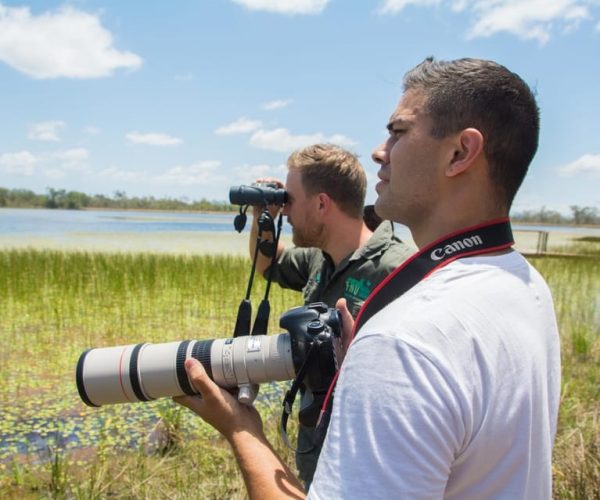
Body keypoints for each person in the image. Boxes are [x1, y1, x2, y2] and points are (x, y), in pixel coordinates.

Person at [175, 57, 561, 499]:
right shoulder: (522, 283)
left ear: (460, 153)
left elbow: (412, 354)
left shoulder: (404, 337)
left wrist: (242, 430)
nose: (379, 151)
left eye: (398, 132)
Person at [247, 143, 413, 487]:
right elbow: (267, 265)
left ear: (322, 203)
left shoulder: (399, 268)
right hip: (317, 446)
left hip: (367, 455)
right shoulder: (318, 260)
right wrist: (262, 218)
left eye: (289, 200)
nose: (287, 211)